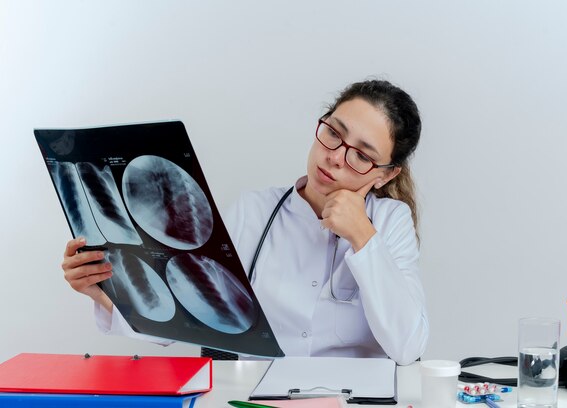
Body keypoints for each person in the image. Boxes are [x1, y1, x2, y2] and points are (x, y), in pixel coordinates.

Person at [62, 79, 429, 365]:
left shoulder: (388, 222)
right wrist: (102, 292)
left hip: (354, 399)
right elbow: (185, 322)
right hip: (256, 396)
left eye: (361, 155)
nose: (335, 157)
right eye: (333, 132)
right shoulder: (254, 211)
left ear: (385, 174)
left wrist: (364, 238)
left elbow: (407, 347)